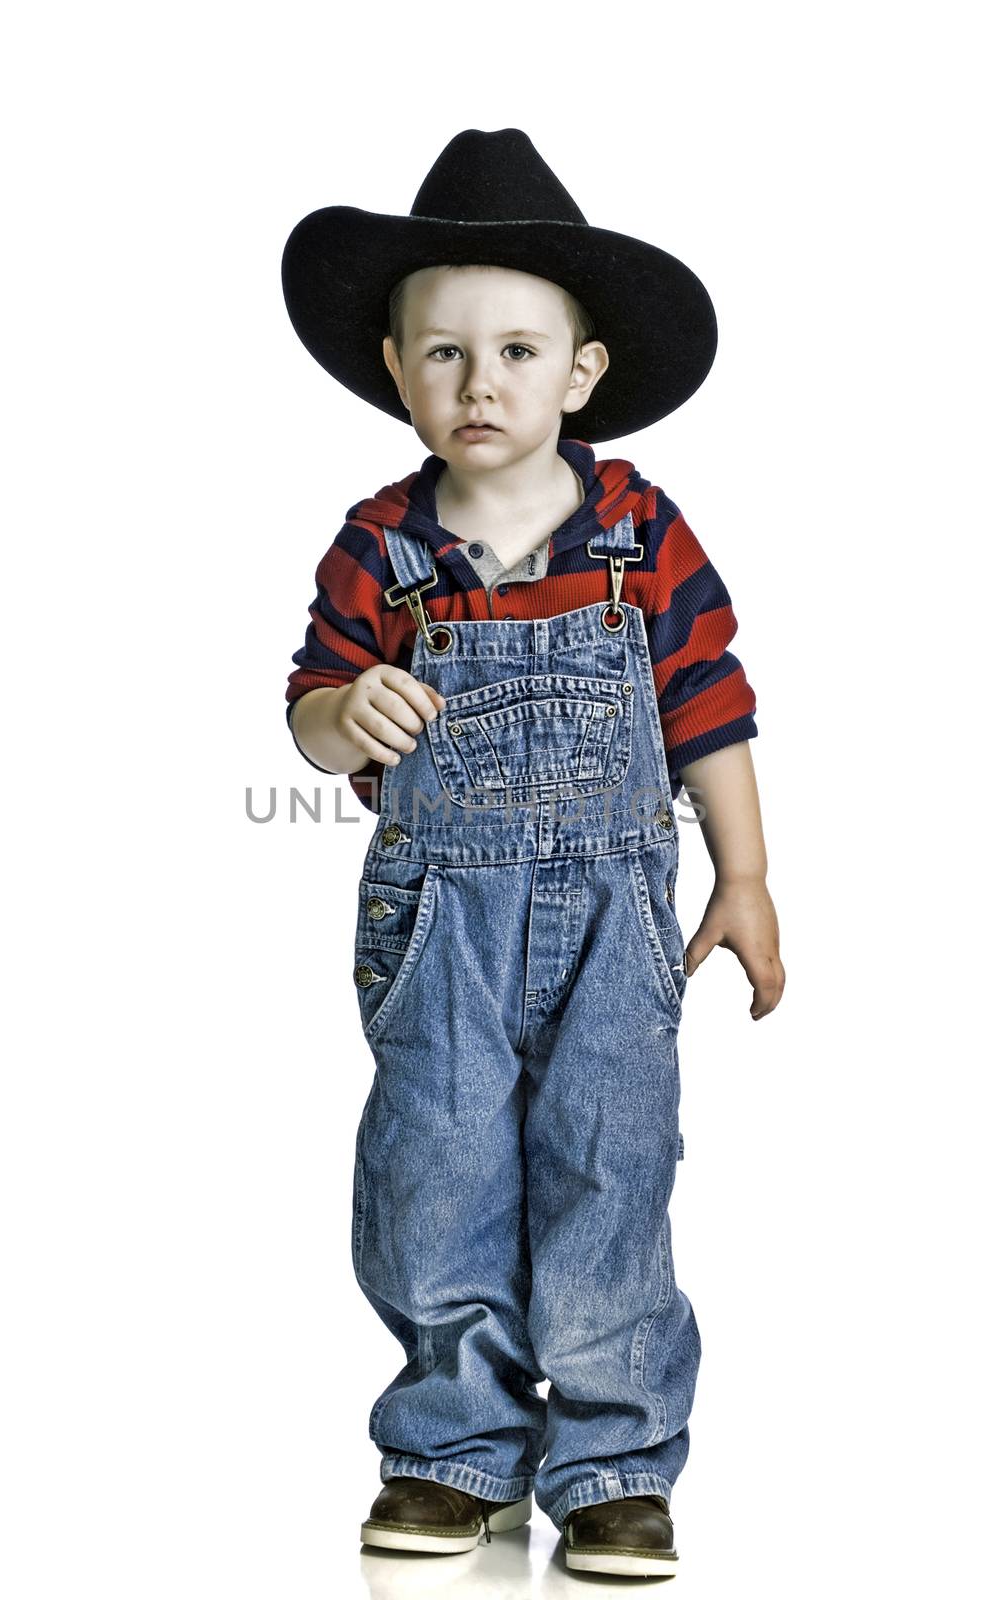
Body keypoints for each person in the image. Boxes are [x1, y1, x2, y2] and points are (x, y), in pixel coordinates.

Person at [280, 128, 785, 1577]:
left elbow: (709, 707)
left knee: (610, 1168)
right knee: (436, 1168)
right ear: (396, 369)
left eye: (515, 352)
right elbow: (309, 717)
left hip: (617, 915)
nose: (478, 383)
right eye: (444, 353)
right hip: (439, 917)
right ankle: (452, 1448)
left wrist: (743, 879)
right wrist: (338, 710)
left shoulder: (640, 534)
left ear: (581, 375)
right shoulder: (380, 548)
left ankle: (614, 1461)